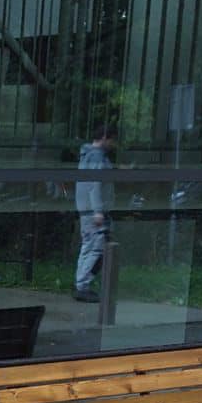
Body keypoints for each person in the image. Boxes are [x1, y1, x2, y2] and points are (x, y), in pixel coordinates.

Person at [74, 124, 117, 303]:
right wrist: (98, 211)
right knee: (96, 249)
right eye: (112, 139)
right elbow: (95, 185)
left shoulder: (87, 155)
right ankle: (83, 285)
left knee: (88, 247)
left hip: (86, 210)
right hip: (94, 212)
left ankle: (81, 284)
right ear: (105, 137)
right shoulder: (98, 157)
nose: (113, 144)